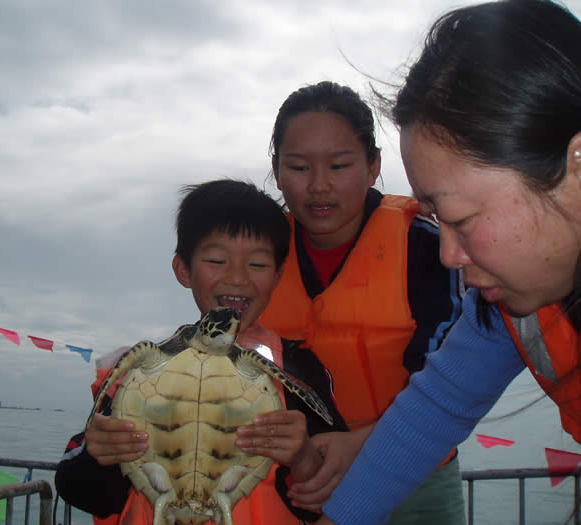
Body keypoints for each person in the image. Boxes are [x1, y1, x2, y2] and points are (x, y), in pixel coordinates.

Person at [289, 1, 581, 523]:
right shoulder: (510, 308)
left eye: (461, 219)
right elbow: (437, 405)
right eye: (434, 219)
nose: (449, 255)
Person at [236, 80, 466, 524]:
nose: (319, 186)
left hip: (417, 474)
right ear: (276, 170)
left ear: (374, 165)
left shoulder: (426, 245)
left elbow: (455, 378)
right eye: (299, 167)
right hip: (298, 480)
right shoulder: (258, 253)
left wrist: (358, 444)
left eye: (340, 165)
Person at [55, 179, 349, 524]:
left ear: (278, 276)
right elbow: (82, 489)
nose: (237, 278)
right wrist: (98, 456)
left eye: (257, 264)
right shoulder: (144, 367)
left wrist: (304, 459)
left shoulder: (298, 368)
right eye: (216, 260)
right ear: (184, 270)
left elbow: (339, 499)